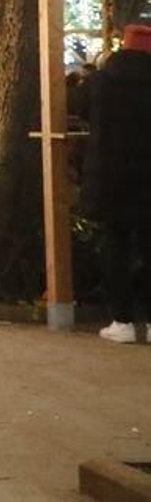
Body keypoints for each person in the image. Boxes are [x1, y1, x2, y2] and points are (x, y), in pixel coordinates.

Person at [81, 21, 151, 343]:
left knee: (116, 246)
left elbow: (78, 108)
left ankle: (121, 320)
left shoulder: (103, 79)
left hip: (112, 178)